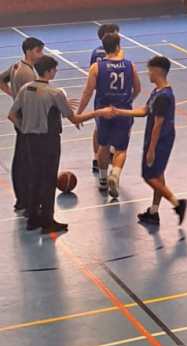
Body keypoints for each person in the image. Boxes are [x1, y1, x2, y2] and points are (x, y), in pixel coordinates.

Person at [7, 55, 97, 234]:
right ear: (49, 72)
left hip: (30, 140)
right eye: (54, 69)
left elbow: (12, 115)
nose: (56, 72)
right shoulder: (55, 93)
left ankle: (33, 218)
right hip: (48, 141)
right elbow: (74, 118)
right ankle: (47, 221)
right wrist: (98, 113)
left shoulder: (25, 89)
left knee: (34, 177)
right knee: (48, 179)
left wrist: (24, 128)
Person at [105, 56, 187, 227]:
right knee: (158, 175)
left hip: (160, 140)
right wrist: (119, 111)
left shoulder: (163, 96)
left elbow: (158, 124)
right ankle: (154, 211)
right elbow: (144, 111)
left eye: (150, 70)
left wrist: (151, 149)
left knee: (149, 176)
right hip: (159, 139)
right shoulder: (158, 92)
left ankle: (177, 203)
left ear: (157, 71)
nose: (148, 73)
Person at [77, 32, 141, 199]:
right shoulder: (130, 66)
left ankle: (103, 179)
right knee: (121, 149)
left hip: (103, 112)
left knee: (103, 146)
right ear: (118, 46)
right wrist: (127, 100)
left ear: (104, 48)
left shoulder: (96, 67)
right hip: (123, 111)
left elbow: (87, 92)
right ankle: (115, 174)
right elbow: (138, 89)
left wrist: (79, 113)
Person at [0, 35, 45, 213]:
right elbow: (36, 96)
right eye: (38, 51)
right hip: (27, 119)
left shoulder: (16, 66)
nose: (41, 54)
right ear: (28, 51)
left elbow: (1, 79)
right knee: (27, 161)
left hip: (20, 116)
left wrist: (13, 95)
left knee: (20, 158)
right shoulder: (27, 73)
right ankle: (26, 199)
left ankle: (22, 199)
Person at [88, 23, 119, 174]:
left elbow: (91, 75)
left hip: (100, 97)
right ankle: (110, 155)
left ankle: (96, 158)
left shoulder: (95, 52)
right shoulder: (118, 55)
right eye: (116, 33)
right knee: (116, 127)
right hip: (116, 96)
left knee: (99, 128)